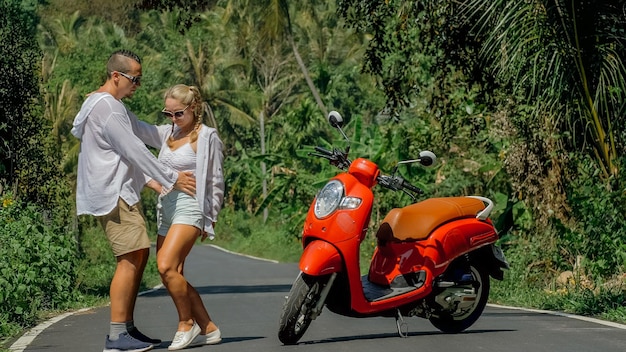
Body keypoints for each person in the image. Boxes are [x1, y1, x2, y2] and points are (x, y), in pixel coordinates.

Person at [71, 50, 196, 352]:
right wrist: (171, 177)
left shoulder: (107, 105)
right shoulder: (109, 109)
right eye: (135, 79)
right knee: (129, 258)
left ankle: (126, 328)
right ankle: (116, 336)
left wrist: (185, 127)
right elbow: (135, 150)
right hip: (113, 193)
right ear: (116, 76)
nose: (137, 85)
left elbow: (143, 131)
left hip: (118, 190)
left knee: (137, 254)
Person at [144, 84, 224, 351]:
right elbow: (134, 128)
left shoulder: (206, 137)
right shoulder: (167, 133)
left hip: (190, 206)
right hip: (165, 207)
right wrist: (107, 98)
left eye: (178, 113)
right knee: (172, 272)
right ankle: (208, 327)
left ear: (193, 108)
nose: (173, 119)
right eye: (168, 113)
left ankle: (185, 323)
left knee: (166, 266)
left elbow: (215, 180)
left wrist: (209, 217)